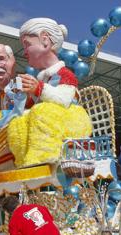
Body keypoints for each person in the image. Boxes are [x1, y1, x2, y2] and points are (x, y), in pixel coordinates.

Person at [7, 18, 92, 167]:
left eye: (27, 45)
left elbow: (64, 99)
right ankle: (23, 161)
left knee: (42, 111)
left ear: (45, 40)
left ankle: (43, 157)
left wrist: (38, 88)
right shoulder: (44, 78)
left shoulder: (65, 74)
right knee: (17, 122)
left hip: (72, 122)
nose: (25, 52)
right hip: (51, 122)